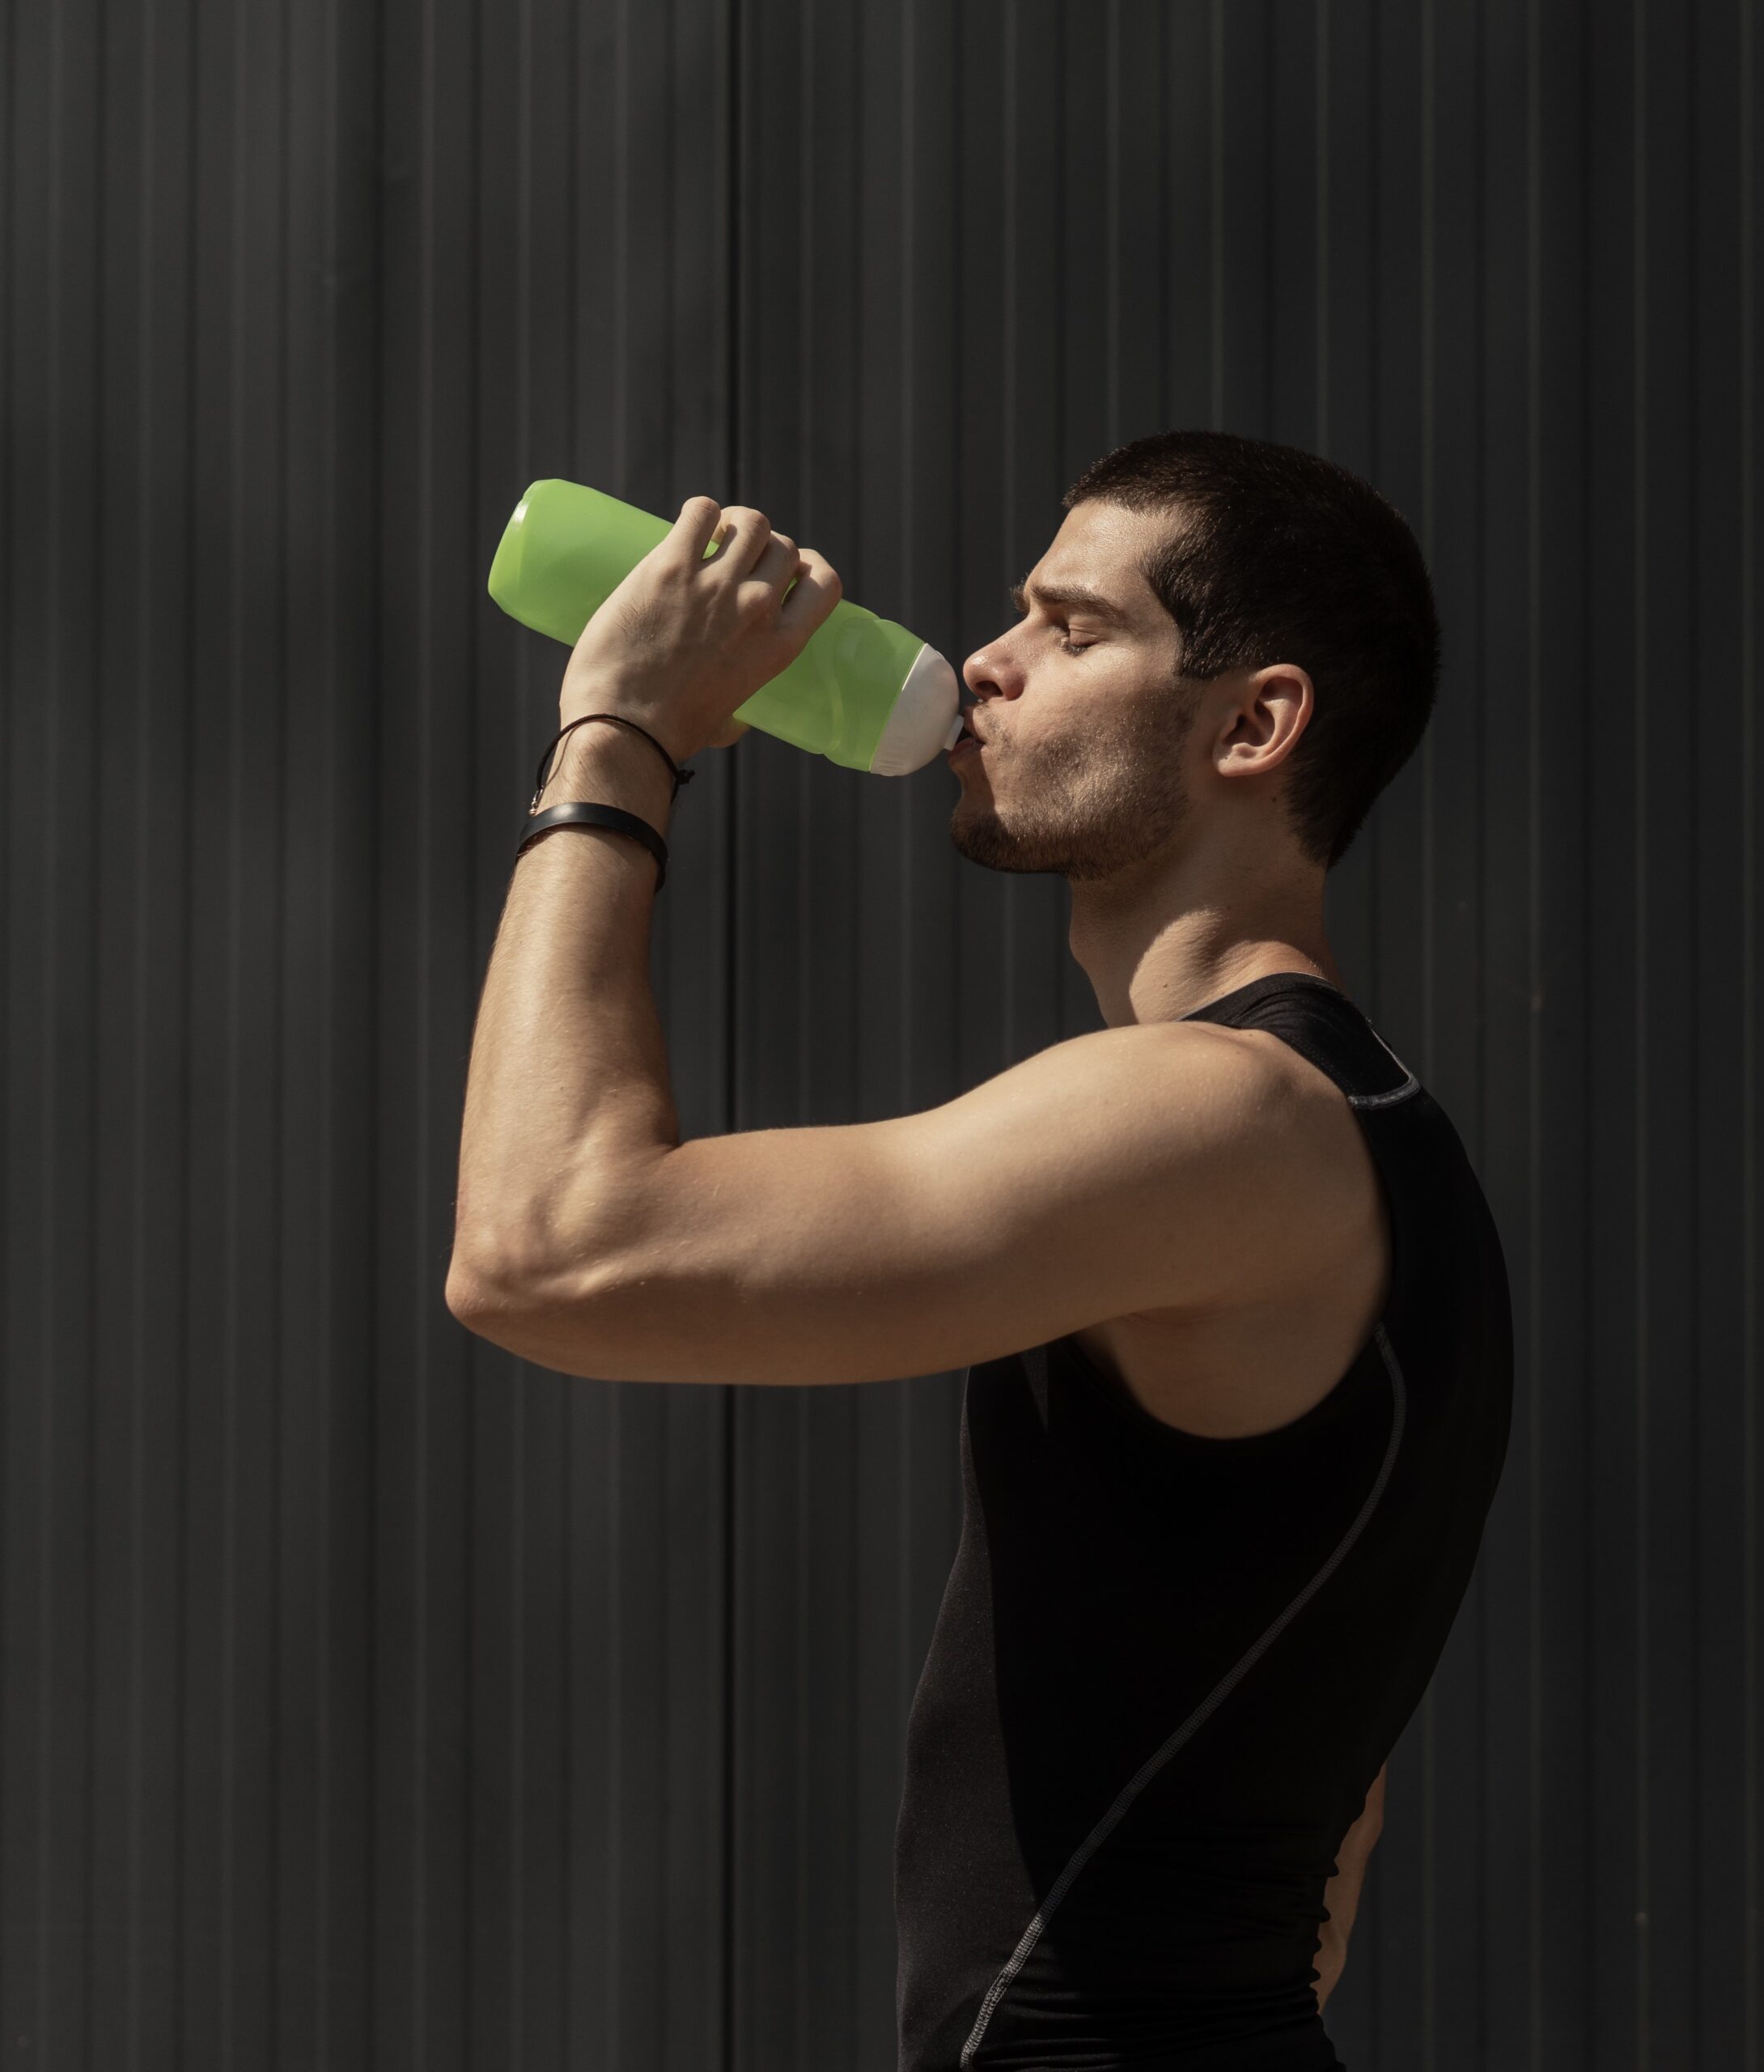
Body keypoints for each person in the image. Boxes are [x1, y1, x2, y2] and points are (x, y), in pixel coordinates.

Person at [446, 427, 1513, 2071]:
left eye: (1069, 626)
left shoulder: (1219, 1118)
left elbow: (547, 1248)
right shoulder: (1364, 1133)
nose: (988, 665)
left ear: (1253, 722)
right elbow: (1334, 1807)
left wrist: (619, 736)